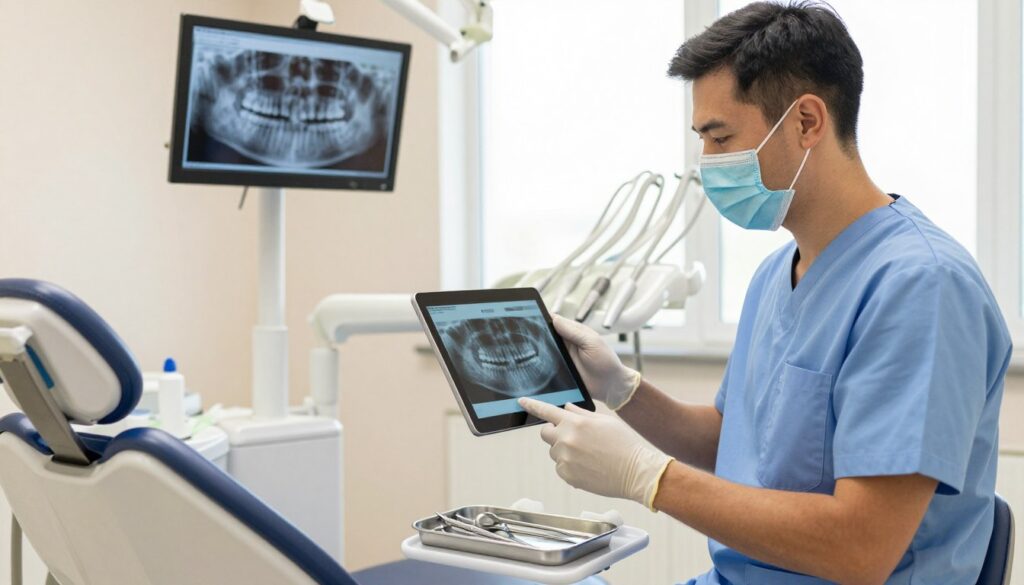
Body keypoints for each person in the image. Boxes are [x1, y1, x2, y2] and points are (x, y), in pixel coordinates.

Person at [518, 2, 1013, 583]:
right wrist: (622, 389)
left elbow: (862, 548)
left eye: (721, 137)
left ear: (806, 121)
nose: (707, 164)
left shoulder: (920, 287)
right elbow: (745, 447)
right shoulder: (780, 273)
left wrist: (650, 478)